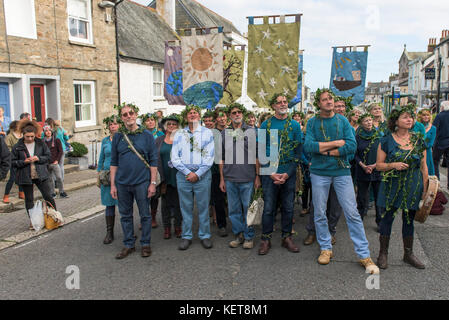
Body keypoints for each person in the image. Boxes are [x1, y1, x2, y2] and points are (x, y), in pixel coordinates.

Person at [304, 88, 379, 273]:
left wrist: (326, 150)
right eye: (324, 99)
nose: (329, 101)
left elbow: (351, 147)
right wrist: (337, 143)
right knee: (320, 212)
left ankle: (364, 255)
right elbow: (308, 146)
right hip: (319, 173)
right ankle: (325, 248)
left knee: (352, 213)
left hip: (341, 172)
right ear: (319, 104)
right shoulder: (313, 122)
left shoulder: (343, 120)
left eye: (330, 98)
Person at [376, 104, 428, 269]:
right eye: (405, 117)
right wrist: (393, 165)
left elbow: (424, 166)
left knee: (408, 220)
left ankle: (408, 254)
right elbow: (379, 166)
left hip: (413, 183)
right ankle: (383, 253)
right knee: (387, 218)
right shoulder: (386, 140)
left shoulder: (418, 139)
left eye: (411, 117)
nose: (409, 119)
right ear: (396, 121)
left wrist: (426, 189)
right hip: (392, 184)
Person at [110, 103, 158, 259]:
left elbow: (153, 161)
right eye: (125, 114)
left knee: (145, 215)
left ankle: (145, 244)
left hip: (142, 182)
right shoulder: (118, 136)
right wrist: (112, 184)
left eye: (131, 113)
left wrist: (152, 183)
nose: (128, 116)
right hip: (122, 183)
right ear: (122, 118)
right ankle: (129, 244)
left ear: (136, 114)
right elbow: (114, 162)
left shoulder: (147, 136)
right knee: (125, 215)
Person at [258, 93, 302, 255]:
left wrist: (288, 174)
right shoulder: (266, 125)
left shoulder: (295, 126)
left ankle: (286, 237)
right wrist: (270, 173)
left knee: (288, 207)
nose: (283, 104)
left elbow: (297, 152)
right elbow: (261, 151)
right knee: (269, 208)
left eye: (285, 102)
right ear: (273, 106)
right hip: (269, 174)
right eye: (279, 102)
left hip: (288, 173)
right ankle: (265, 239)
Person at [171, 105, 215, 250]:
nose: (192, 115)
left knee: (203, 207)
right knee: (186, 207)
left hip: (202, 176)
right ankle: (187, 236)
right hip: (184, 176)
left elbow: (210, 157)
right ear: (185, 117)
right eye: (190, 113)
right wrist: (187, 172)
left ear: (199, 116)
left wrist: (197, 173)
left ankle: (205, 235)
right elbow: (174, 157)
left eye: (195, 112)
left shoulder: (207, 133)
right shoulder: (178, 134)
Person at [219, 103, 260, 249]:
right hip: (230, 179)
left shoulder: (251, 131)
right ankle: (239, 235)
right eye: (233, 112)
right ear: (230, 115)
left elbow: (257, 156)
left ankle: (249, 236)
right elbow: (221, 158)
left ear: (242, 114)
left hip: (247, 178)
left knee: (247, 208)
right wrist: (222, 179)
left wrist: (257, 176)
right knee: (234, 210)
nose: (236, 114)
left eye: (239, 112)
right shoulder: (224, 133)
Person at [11, 120, 56, 230]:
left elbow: (48, 156)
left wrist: (38, 158)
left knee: (48, 195)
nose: (30, 139)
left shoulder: (41, 143)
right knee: (29, 199)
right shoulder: (17, 146)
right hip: (26, 175)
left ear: (35, 134)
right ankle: (33, 221)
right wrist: (23, 162)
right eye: (27, 137)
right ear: (23, 135)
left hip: (41, 174)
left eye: (32, 136)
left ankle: (54, 216)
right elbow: (12, 162)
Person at [155, 114, 183, 239]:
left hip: (178, 175)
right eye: (169, 124)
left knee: (178, 204)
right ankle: (167, 228)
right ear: (166, 126)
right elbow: (154, 158)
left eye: (174, 124)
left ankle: (178, 227)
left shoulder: (182, 139)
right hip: (164, 176)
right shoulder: (159, 140)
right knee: (165, 204)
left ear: (178, 126)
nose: (171, 126)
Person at [355, 113, 383, 229]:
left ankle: (380, 221)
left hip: (377, 170)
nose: (369, 122)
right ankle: (359, 220)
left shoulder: (379, 135)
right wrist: (363, 165)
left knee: (379, 197)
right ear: (361, 123)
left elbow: (384, 152)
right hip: (362, 170)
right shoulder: (357, 136)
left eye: (370, 120)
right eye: (366, 120)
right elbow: (355, 154)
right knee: (361, 197)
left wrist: (375, 165)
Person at [97, 115, 119, 244]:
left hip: (121, 175)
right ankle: (109, 232)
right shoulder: (105, 141)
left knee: (124, 205)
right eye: (111, 124)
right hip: (106, 176)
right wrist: (98, 175)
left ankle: (129, 231)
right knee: (109, 204)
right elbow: (101, 159)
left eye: (115, 124)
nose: (113, 126)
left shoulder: (123, 139)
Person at [140, 112, 164, 228]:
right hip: (143, 168)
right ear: (144, 123)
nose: (150, 122)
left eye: (152, 120)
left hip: (157, 167)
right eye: (148, 120)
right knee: (142, 195)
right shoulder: (140, 134)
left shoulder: (160, 134)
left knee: (154, 195)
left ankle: (153, 218)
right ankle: (144, 218)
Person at [211, 107, 228, 237]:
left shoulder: (231, 131)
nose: (222, 119)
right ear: (216, 119)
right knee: (219, 198)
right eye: (219, 116)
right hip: (216, 170)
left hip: (232, 168)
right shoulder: (211, 133)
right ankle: (221, 224)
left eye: (224, 116)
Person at [42, 125, 68, 198]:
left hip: (55, 162)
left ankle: (62, 191)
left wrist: (57, 160)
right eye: (46, 131)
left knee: (59, 177)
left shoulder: (56, 140)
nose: (48, 132)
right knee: (50, 179)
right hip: (47, 163)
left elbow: (60, 151)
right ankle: (52, 192)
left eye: (49, 131)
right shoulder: (42, 142)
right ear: (44, 133)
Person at [3, 121, 24, 203]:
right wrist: (15, 152)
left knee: (21, 177)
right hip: (14, 159)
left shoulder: (22, 135)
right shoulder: (10, 136)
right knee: (12, 178)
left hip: (22, 159)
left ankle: (21, 193)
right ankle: (6, 195)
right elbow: (7, 148)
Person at [432, 101, 449, 185]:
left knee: (435, 161)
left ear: (443, 107)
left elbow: (434, 129)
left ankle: (437, 181)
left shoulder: (439, 116)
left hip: (440, 142)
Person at [417, 109, 436, 176]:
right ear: (420, 116)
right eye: (424, 115)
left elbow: (431, 143)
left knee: (426, 173)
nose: (426, 117)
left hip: (427, 153)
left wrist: (421, 146)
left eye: (427, 115)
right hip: (416, 152)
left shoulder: (433, 128)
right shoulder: (417, 126)